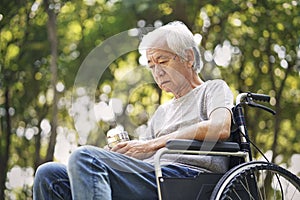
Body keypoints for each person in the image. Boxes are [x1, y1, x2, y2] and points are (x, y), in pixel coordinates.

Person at [33, 21, 233, 200]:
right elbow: (143, 152)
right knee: (49, 174)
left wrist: (153, 145)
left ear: (188, 57)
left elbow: (220, 127)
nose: (157, 72)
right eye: (151, 66)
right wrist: (121, 153)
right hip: (154, 175)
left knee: (85, 157)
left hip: (187, 177)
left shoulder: (213, 88)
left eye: (162, 61)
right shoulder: (163, 112)